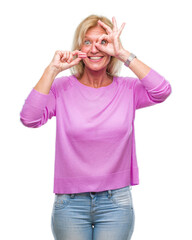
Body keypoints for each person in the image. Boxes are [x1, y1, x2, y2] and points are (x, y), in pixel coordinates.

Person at [20, 14, 172, 240]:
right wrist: (51, 70)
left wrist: (123, 54)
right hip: (70, 203)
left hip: (116, 203)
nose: (94, 49)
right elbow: (29, 118)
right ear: (78, 48)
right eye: (88, 42)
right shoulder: (61, 89)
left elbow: (162, 91)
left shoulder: (128, 90)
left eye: (103, 42)